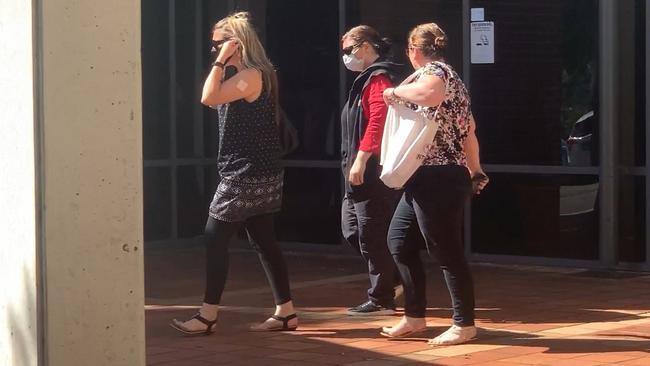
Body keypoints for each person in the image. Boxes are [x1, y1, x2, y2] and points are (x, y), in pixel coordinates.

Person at [170, 12, 297, 335]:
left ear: (236, 44)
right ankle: (286, 311)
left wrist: (219, 64)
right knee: (264, 240)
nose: (214, 51)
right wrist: (224, 64)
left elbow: (207, 97)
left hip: (246, 173)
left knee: (215, 238)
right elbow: (216, 100)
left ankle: (208, 314)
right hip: (255, 169)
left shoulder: (252, 76)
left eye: (218, 45)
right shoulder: (245, 76)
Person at [380, 22, 479, 345]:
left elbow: (429, 94)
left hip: (439, 177)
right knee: (399, 241)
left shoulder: (435, 73)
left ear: (415, 50)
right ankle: (414, 316)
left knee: (445, 249)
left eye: (408, 51)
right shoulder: (455, 80)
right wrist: (476, 170)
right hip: (428, 176)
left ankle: (464, 323)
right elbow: (470, 131)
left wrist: (393, 92)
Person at [340, 25, 406, 315]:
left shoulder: (377, 79)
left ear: (365, 46)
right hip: (356, 170)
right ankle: (396, 279)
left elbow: (376, 123)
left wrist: (361, 159)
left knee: (371, 232)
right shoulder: (364, 80)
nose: (345, 56)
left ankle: (382, 298)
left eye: (348, 49)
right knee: (352, 229)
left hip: (368, 170)